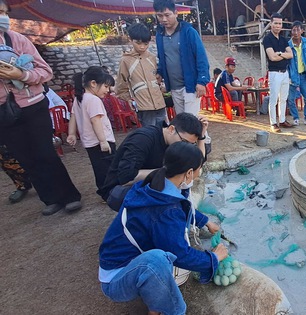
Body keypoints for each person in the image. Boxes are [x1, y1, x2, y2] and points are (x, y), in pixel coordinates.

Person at [98, 141, 228, 315]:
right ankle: (175, 311)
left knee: (162, 253)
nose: (199, 174)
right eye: (199, 169)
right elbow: (181, 255)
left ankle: (155, 305)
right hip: (115, 280)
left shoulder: (155, 185)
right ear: (189, 173)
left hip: (119, 262)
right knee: (157, 260)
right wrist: (213, 258)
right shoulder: (166, 211)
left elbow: (183, 207)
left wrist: (205, 221)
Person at [0, 0, 81, 216]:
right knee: (26, 158)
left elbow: (45, 72)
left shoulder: (17, 39)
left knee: (45, 153)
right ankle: (50, 199)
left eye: (4, 12)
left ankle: (69, 196)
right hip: (4, 113)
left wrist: (22, 75)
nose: (2, 17)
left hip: (33, 106)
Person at [98, 112, 208, 211]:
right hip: (118, 190)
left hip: (146, 184)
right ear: (171, 129)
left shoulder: (176, 142)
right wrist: (167, 171)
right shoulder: (143, 138)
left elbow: (197, 165)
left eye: (191, 144)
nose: (186, 146)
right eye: (184, 141)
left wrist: (201, 137)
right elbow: (125, 177)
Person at [154, 0, 210, 117]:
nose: (164, 19)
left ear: (176, 13)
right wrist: (160, 72)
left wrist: (201, 81)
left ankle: (203, 135)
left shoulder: (189, 32)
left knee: (189, 121)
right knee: (183, 122)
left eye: (167, 15)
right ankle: (204, 135)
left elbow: (201, 57)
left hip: (191, 86)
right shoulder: (160, 35)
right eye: (160, 15)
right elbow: (162, 58)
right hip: (174, 88)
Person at [67, 66, 117, 193]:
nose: (108, 90)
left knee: (99, 168)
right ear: (93, 83)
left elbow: (73, 116)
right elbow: (95, 120)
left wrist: (71, 134)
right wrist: (103, 141)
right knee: (109, 168)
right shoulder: (93, 99)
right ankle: (111, 192)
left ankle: (104, 191)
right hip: (101, 141)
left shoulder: (79, 98)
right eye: (106, 86)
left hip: (89, 143)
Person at [116, 23, 167, 128]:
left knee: (163, 132)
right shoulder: (126, 60)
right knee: (150, 133)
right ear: (130, 40)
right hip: (143, 106)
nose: (142, 47)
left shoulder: (151, 57)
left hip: (159, 103)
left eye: (146, 43)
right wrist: (129, 99)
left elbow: (157, 78)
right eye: (138, 43)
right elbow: (121, 85)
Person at [262, 12, 293, 133]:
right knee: (273, 99)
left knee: (283, 98)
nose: (278, 26)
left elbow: (290, 55)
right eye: (276, 23)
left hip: (285, 73)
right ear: (271, 24)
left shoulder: (284, 39)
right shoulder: (267, 39)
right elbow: (272, 57)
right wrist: (282, 55)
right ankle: (273, 123)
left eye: (280, 23)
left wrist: (279, 54)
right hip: (274, 73)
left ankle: (282, 120)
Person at [285, 21, 306, 127]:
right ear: (291, 31)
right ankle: (296, 118)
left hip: (304, 75)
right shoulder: (288, 45)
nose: (296, 32)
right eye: (294, 30)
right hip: (293, 75)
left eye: (298, 29)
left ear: (302, 31)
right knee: (291, 99)